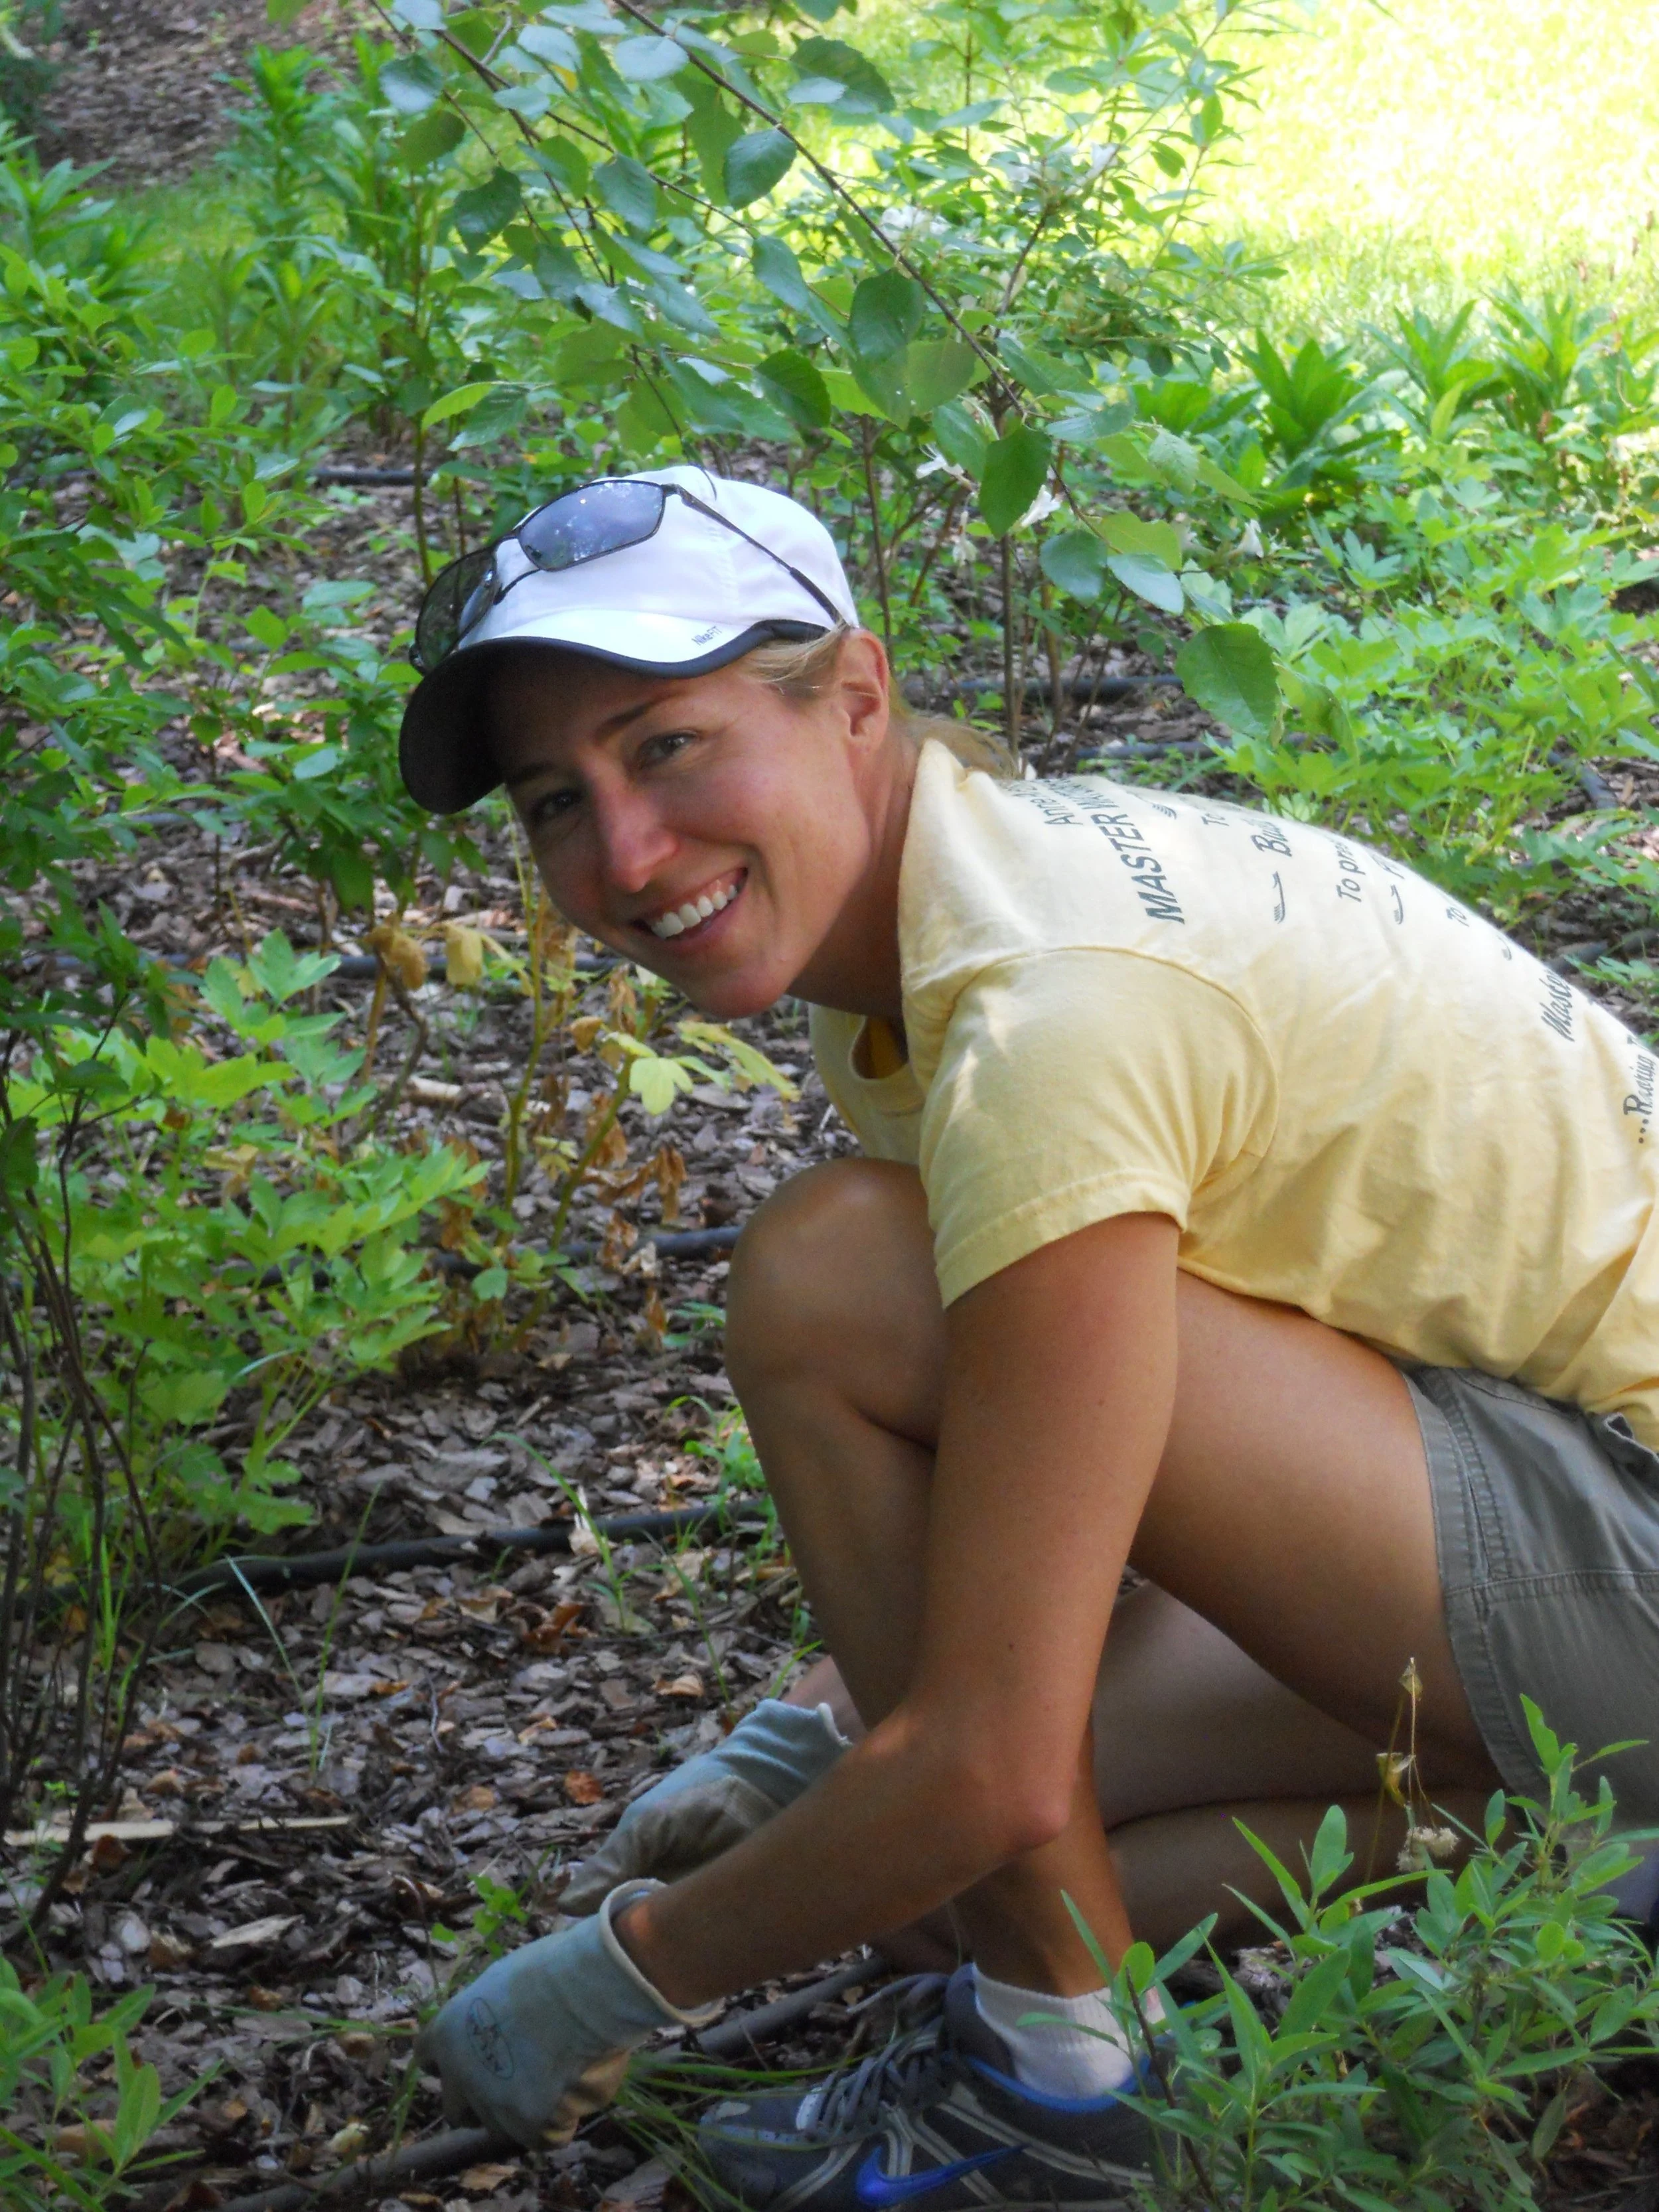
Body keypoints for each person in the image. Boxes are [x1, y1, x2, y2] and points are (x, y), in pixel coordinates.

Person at [396, 465, 1659, 2199]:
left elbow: (989, 1751)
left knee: (833, 1281)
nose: (620, 853)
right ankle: (1587, 1847)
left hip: (1617, 1525)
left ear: (852, 694)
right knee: (946, 1900)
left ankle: (1060, 2103)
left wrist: (620, 1971)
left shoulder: (1039, 1017)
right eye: (557, 796)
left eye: (666, 744)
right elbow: (1095, 1424)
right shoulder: (958, 902)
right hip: (1523, 1493)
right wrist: (839, 1733)